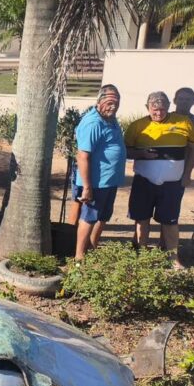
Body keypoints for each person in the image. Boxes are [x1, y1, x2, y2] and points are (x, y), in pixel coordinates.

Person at [124, 91, 194, 268]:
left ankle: (173, 259)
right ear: (147, 107)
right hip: (144, 181)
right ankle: (142, 258)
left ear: (168, 107)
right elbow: (125, 151)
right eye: (155, 109)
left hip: (173, 184)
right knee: (142, 219)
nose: (159, 113)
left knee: (170, 221)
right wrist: (141, 154)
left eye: (163, 109)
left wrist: (187, 173)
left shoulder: (183, 122)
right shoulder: (137, 126)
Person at [72, 85, 126, 259]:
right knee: (89, 217)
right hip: (96, 181)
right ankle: (79, 257)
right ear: (99, 101)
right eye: (110, 103)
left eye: (116, 103)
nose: (113, 107)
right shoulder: (93, 123)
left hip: (109, 180)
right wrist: (87, 187)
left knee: (103, 216)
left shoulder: (110, 119)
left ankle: (92, 248)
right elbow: (82, 156)